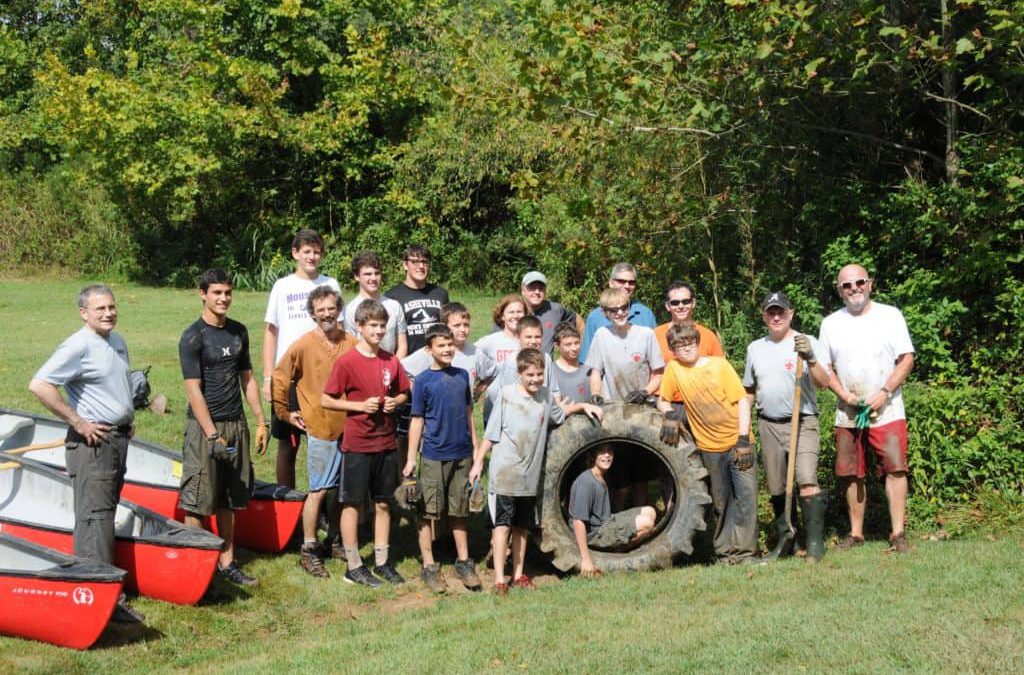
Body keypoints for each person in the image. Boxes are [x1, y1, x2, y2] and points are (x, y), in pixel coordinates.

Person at [29, 284, 144, 623]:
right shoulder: (78, 345)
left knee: (104, 515)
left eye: (111, 307)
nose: (108, 313)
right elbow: (40, 385)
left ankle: (105, 590)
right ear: (84, 313)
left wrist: (126, 419)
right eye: (100, 309)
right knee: (94, 520)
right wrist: (78, 422)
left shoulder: (116, 341)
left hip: (116, 439)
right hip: (92, 445)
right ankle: (100, 596)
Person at [469, 349, 602, 595]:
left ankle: (519, 575)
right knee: (502, 526)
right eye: (530, 374)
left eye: (540, 374)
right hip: (505, 473)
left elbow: (559, 416)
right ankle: (500, 579)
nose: (535, 379)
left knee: (522, 527)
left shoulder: (545, 396)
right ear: (519, 374)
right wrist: (478, 464)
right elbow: (491, 435)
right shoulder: (507, 395)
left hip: (529, 477)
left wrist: (583, 405)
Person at [178, 268, 269, 587]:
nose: (223, 298)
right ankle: (194, 566)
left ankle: (228, 564)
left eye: (228, 292)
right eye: (217, 292)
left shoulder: (239, 332)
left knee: (230, 498)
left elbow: (248, 379)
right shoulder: (193, 337)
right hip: (205, 429)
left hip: (236, 423)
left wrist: (260, 421)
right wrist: (212, 434)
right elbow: (193, 390)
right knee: (198, 500)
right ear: (202, 294)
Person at [818, 265, 915, 554]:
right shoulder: (830, 323)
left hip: (888, 408)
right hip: (848, 409)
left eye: (859, 282)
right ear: (839, 290)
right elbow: (825, 369)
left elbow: (907, 358)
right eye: (847, 285)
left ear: (870, 284)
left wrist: (885, 392)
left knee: (895, 468)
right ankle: (856, 533)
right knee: (851, 471)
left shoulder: (890, 316)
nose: (854, 289)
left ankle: (898, 533)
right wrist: (842, 394)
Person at [322, 299, 411, 587]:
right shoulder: (347, 362)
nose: (379, 330)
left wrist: (394, 402)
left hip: (386, 443)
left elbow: (404, 393)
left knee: (384, 503)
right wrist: (360, 406)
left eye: (383, 326)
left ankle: (383, 561)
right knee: (353, 504)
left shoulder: (390, 360)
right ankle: (353, 564)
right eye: (373, 325)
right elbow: (327, 399)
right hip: (358, 444)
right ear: (359, 327)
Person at [271, 286, 356, 578]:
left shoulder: (352, 343)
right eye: (321, 310)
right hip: (319, 426)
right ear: (312, 314)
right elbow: (280, 377)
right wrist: (284, 412)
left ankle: (334, 539)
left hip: (351, 428)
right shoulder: (303, 345)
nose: (327, 314)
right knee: (318, 490)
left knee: (340, 491)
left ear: (339, 309)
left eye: (331, 308)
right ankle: (308, 548)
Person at [742, 291, 831, 562]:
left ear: (791, 313)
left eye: (781, 311)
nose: (776, 316)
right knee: (777, 487)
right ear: (764, 316)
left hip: (802, 422)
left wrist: (811, 357)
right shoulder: (755, 348)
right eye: (771, 312)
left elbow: (823, 382)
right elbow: (748, 391)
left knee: (805, 479)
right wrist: (743, 431)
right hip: (768, 424)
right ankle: (788, 537)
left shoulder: (806, 342)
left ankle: (815, 544)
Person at [659, 324, 758, 564]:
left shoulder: (719, 365)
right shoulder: (674, 369)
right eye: (680, 345)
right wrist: (670, 415)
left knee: (746, 497)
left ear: (697, 342)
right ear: (673, 350)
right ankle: (724, 553)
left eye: (690, 343)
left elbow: (742, 401)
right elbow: (662, 399)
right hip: (708, 447)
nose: (686, 348)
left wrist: (743, 439)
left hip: (738, 442)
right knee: (721, 501)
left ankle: (745, 553)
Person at [401, 325, 481, 593]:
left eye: (450, 345)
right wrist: (412, 458)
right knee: (427, 511)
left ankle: (463, 561)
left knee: (459, 510)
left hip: (462, 455)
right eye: (441, 346)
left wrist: (476, 448)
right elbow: (417, 420)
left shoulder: (461, 376)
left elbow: (469, 414)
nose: (447, 350)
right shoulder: (423, 380)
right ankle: (429, 566)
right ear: (429, 350)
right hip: (434, 455)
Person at [261, 229, 341, 489]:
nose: (312, 256)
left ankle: (322, 505)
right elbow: (271, 333)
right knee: (287, 445)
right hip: (289, 378)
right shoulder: (282, 286)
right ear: (295, 253)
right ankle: (289, 501)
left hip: (323, 377)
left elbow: (339, 331)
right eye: (307, 251)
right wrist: (268, 376)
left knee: (327, 442)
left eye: (317, 251)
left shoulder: (330, 284)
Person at [569, 445, 656, 577]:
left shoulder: (602, 476)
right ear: (593, 456)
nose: (607, 455)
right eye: (602, 452)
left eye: (609, 451)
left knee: (650, 511)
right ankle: (618, 551)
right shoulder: (586, 483)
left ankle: (620, 542)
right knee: (647, 523)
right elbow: (578, 521)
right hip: (596, 534)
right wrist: (585, 559)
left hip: (607, 521)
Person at [482, 315, 562, 425]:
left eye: (537, 337)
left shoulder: (546, 358)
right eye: (528, 337)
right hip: (502, 418)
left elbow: (554, 391)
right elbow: (516, 405)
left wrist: (557, 413)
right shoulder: (513, 363)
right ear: (518, 337)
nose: (533, 341)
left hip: (536, 412)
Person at [580, 262, 657, 362]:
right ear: (611, 283)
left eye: (631, 282)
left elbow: (656, 356)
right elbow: (587, 360)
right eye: (621, 281)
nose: (627, 286)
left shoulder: (645, 314)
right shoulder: (595, 317)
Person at [385, 244, 450, 355]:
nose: (420, 266)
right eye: (414, 262)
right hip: (408, 362)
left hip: (437, 359)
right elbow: (388, 336)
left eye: (424, 262)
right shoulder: (392, 296)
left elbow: (448, 328)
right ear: (405, 265)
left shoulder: (441, 293)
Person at [343, 250, 408, 359]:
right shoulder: (350, 310)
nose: (373, 278)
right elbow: (351, 348)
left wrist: (393, 368)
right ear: (356, 276)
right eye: (368, 274)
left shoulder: (394, 306)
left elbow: (402, 345)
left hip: (392, 367)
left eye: (377, 273)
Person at [402, 302, 477, 382]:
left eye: (466, 325)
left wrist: (478, 390)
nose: (462, 329)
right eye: (457, 325)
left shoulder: (474, 351)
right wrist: (416, 390)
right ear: (444, 325)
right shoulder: (431, 352)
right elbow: (402, 369)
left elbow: (489, 374)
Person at [654, 281, 725, 364]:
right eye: (675, 303)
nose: (680, 306)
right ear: (667, 306)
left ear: (693, 303)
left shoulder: (708, 336)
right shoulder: (655, 335)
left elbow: (720, 368)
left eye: (685, 301)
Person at [474, 294, 526, 396]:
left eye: (519, 312)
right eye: (511, 312)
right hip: (495, 402)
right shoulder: (492, 341)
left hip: (522, 402)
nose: (515, 316)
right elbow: (470, 354)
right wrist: (484, 380)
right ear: (502, 316)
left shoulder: (529, 341)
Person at [516, 271, 579, 354]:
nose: (537, 292)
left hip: (546, 365)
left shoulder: (555, 310)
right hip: (518, 364)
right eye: (532, 288)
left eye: (541, 288)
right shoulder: (513, 312)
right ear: (523, 290)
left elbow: (577, 320)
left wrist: (583, 352)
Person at [551, 322, 589, 404]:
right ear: (557, 346)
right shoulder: (550, 371)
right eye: (568, 345)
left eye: (577, 343)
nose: (574, 348)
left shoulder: (588, 371)